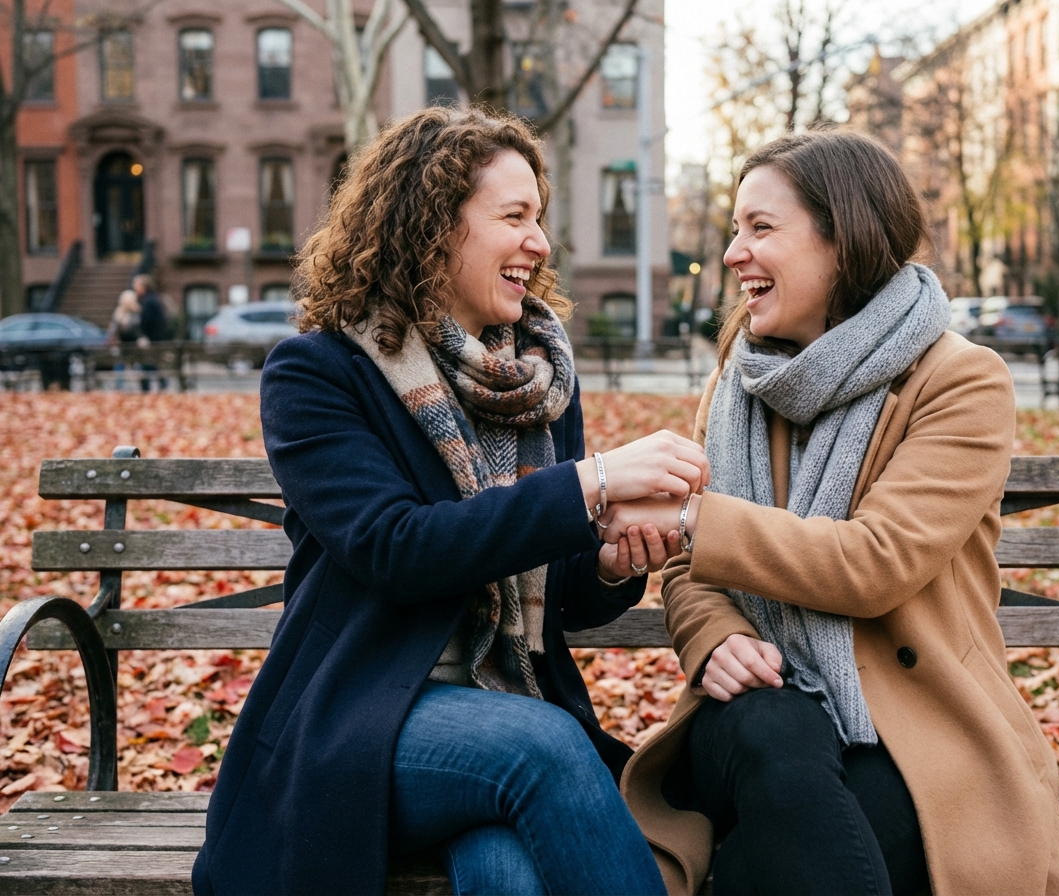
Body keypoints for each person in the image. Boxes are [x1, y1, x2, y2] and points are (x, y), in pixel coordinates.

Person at [192, 107, 694, 896]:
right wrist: (589, 483)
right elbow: (397, 549)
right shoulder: (319, 374)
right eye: (514, 217)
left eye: (541, 218)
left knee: (507, 872)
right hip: (360, 721)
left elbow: (559, 602)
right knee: (544, 749)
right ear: (433, 227)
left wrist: (607, 562)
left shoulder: (539, 385)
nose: (540, 242)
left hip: (500, 719)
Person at [607, 131, 1059, 895]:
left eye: (761, 228)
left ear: (844, 238)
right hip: (752, 713)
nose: (733, 254)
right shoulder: (738, 382)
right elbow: (689, 572)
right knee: (774, 732)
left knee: (791, 854)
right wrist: (715, 635)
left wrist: (690, 519)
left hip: (916, 725)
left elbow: (875, 563)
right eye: (734, 230)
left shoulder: (961, 381)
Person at [133, 274, 170, 391]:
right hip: (157, 337)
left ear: (143, 286)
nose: (135, 288)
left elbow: (146, 321)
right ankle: (161, 383)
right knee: (154, 363)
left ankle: (149, 387)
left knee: (148, 363)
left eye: (137, 285)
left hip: (151, 338)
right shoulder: (154, 299)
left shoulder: (148, 301)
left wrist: (143, 335)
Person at [106, 288, 146, 391]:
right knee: (120, 366)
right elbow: (115, 329)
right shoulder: (119, 313)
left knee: (137, 366)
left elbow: (138, 329)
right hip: (122, 344)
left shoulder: (136, 312)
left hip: (134, 345)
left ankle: (142, 387)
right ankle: (119, 387)